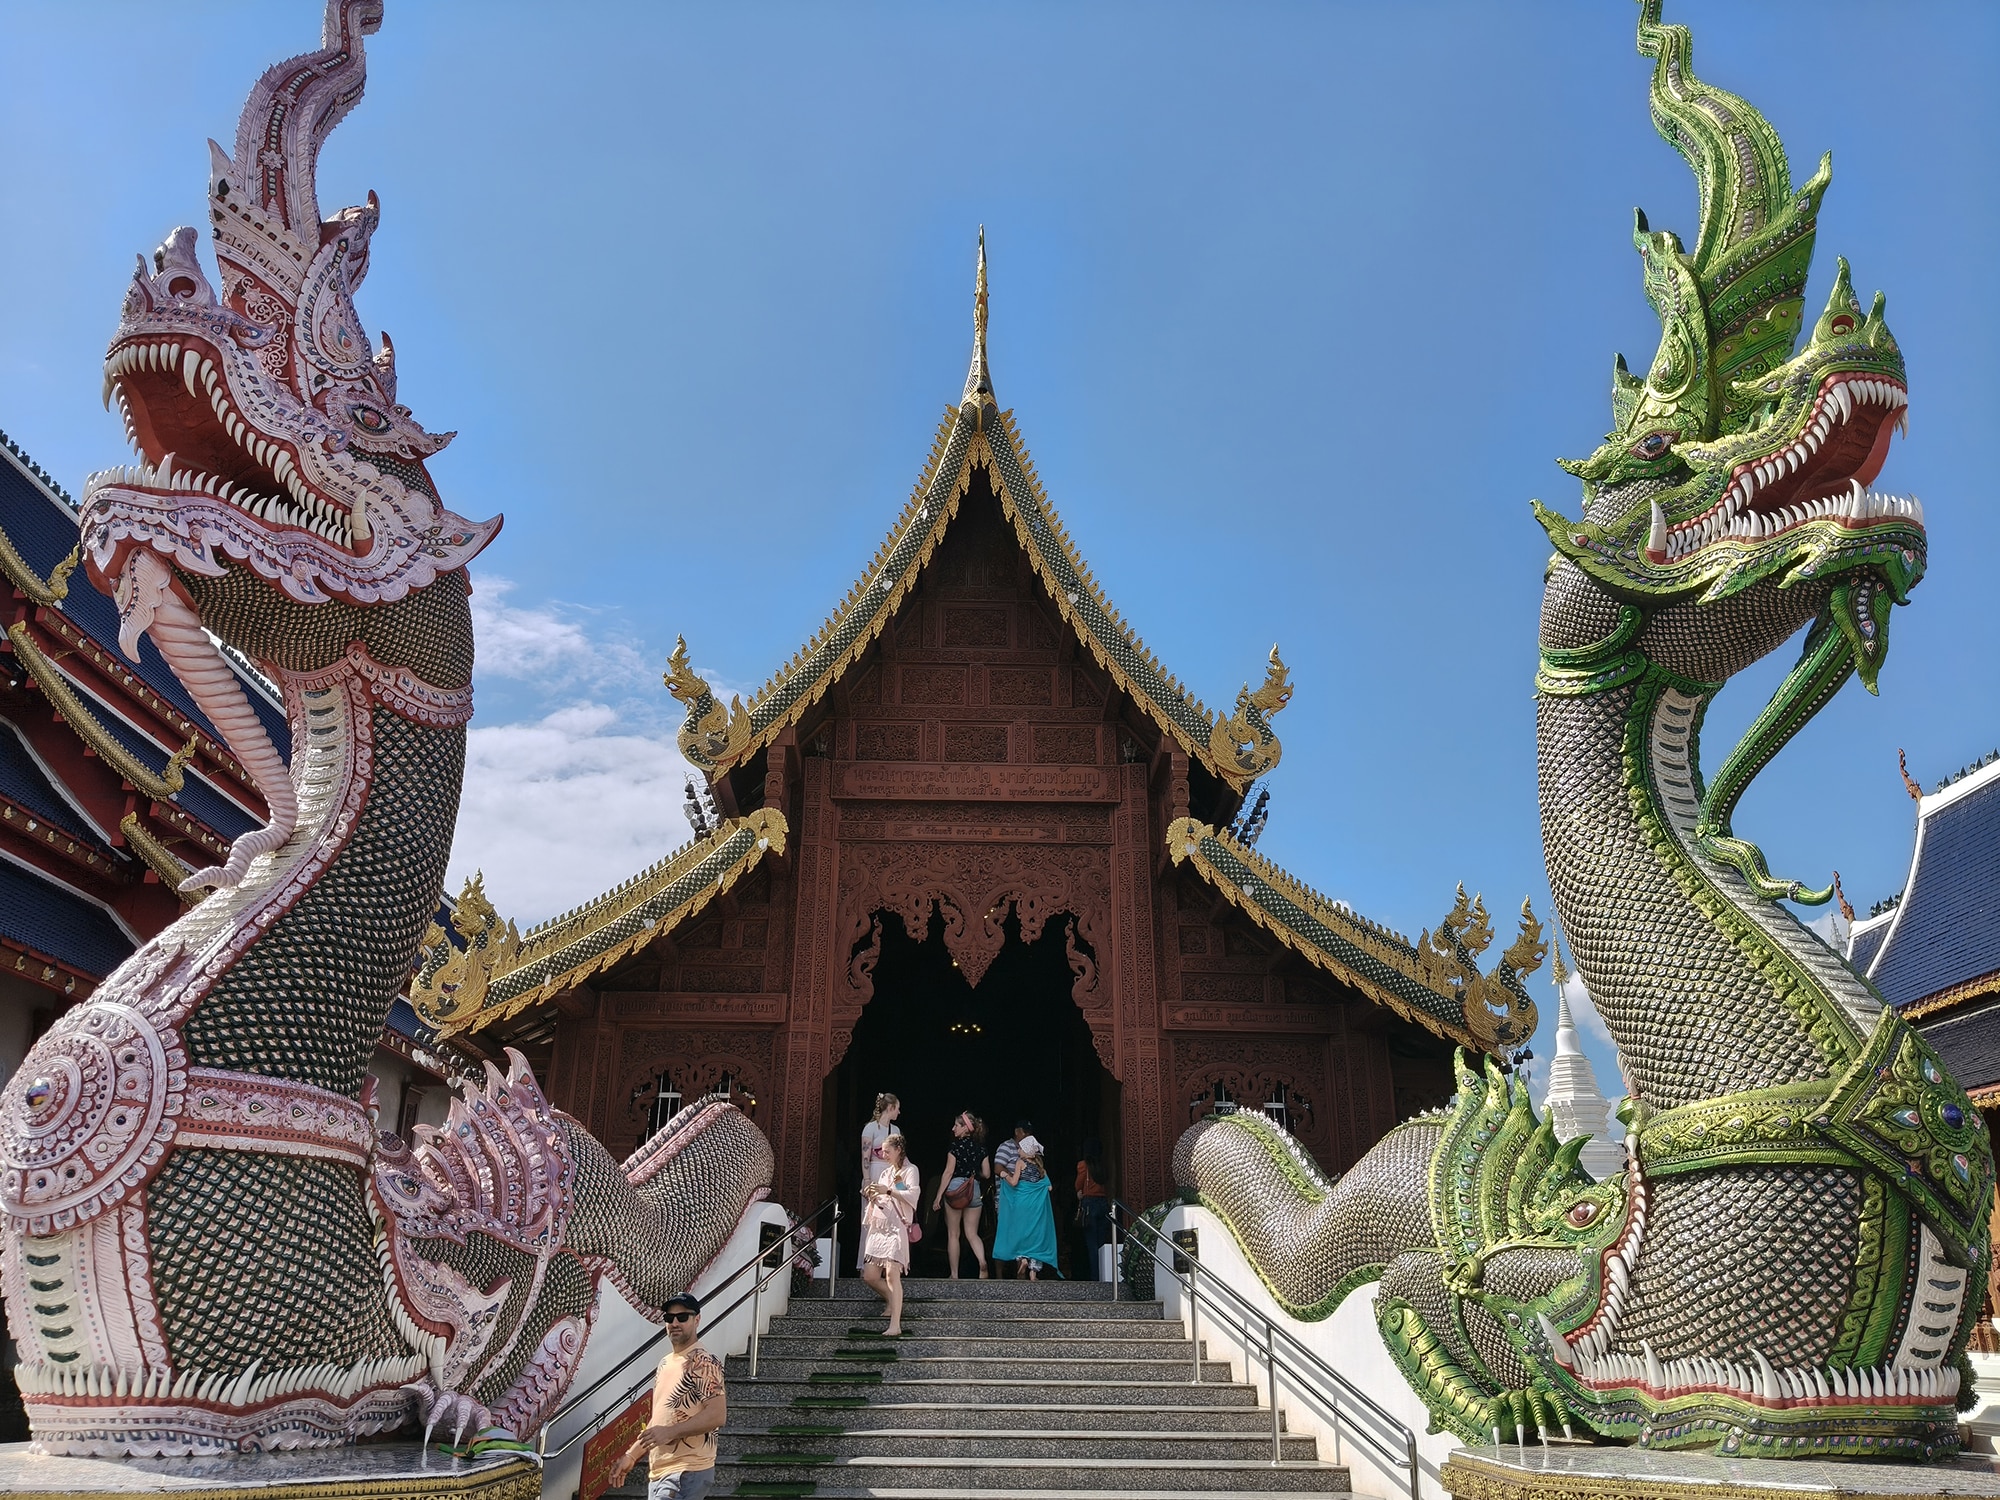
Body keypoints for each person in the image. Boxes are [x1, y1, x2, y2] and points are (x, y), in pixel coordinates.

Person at [611, 1290, 726, 1499]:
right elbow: (660, 1421)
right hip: (662, 1473)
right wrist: (632, 1455)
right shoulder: (665, 1363)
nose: (675, 1323)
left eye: (682, 1317)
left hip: (686, 1472)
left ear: (697, 1319)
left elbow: (717, 1415)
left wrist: (671, 1432)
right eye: (669, 1318)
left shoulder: (703, 1362)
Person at [860, 1132, 919, 1336]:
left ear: (898, 1150)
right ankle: (892, 1301)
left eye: (887, 1151)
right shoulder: (885, 1173)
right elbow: (882, 1197)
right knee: (870, 1275)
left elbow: (912, 1195)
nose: (883, 1155)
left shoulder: (911, 1170)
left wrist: (888, 1191)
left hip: (897, 1227)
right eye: (881, 1151)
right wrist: (872, 1194)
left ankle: (895, 1325)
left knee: (893, 1274)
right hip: (880, 1227)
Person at [932, 1111, 991, 1280]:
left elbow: (948, 1172)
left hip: (956, 1190)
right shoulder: (981, 1148)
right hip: (974, 1189)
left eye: (956, 1125)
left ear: (965, 1128)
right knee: (972, 1233)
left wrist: (938, 1197)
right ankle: (982, 1261)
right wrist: (974, 1173)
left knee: (953, 1234)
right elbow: (987, 1173)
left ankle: (954, 1274)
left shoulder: (955, 1147)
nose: (953, 1129)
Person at [994, 1133, 1060, 1280]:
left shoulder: (1020, 1162)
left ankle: (1022, 1259)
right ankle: (1033, 1273)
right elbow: (1048, 1188)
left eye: (1020, 1148)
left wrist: (1004, 1175)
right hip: (1035, 1208)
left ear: (1025, 1151)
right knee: (1035, 1236)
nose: (1018, 1151)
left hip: (1020, 1205)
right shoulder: (1040, 1167)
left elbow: (1014, 1182)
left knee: (1020, 1233)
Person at [989, 1120, 1028, 1277]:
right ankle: (999, 1275)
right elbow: (998, 1168)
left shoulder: (1028, 1150)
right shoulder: (1006, 1146)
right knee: (1004, 1235)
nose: (1028, 1136)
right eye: (1025, 1132)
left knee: (1022, 1235)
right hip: (1005, 1199)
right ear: (1017, 1132)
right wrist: (1012, 1179)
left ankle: (1021, 1274)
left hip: (1022, 1201)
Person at [1076, 1137, 1111, 1281]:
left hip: (1089, 1204)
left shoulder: (1083, 1165)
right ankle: (1105, 1274)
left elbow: (1078, 1184)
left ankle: (1095, 1277)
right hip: (1103, 1203)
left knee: (1091, 1243)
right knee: (1102, 1243)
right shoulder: (1103, 1165)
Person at [860, 1093, 902, 1190]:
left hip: (890, 1172)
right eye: (897, 1108)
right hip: (874, 1171)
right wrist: (867, 1179)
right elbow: (865, 1156)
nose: (899, 1112)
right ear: (891, 1108)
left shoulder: (896, 1130)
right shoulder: (870, 1128)